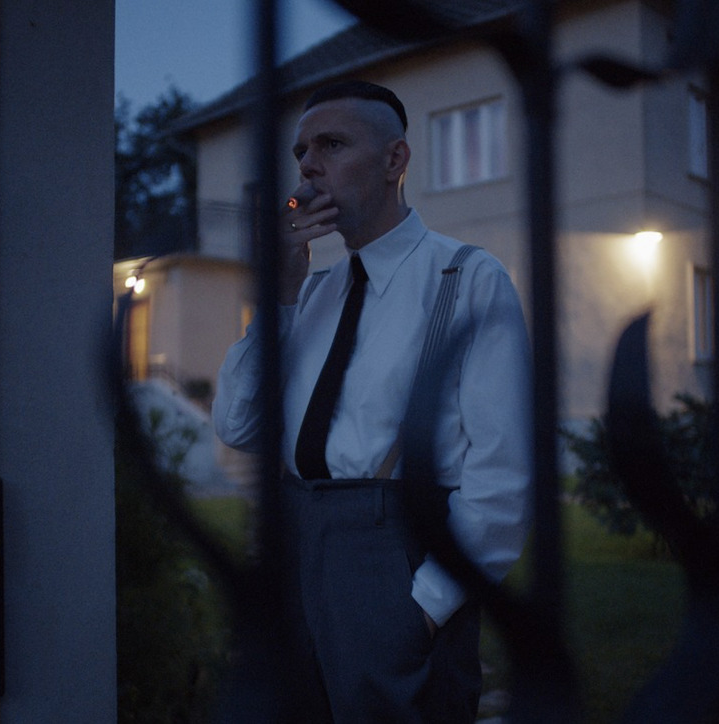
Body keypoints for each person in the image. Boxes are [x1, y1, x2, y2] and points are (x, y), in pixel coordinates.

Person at [212, 80, 532, 722]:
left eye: (331, 145)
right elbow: (239, 424)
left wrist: (424, 607)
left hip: (396, 560)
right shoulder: (313, 293)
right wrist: (279, 296)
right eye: (302, 151)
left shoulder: (466, 278)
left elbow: (503, 474)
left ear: (395, 160)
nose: (308, 165)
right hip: (296, 548)